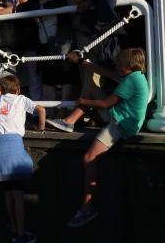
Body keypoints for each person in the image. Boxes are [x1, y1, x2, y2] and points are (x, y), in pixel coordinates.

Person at [49, 48, 150, 227]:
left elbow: (105, 103)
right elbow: (107, 73)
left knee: (89, 158)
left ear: (128, 65)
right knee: (90, 84)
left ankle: (87, 208)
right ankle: (69, 121)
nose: (117, 68)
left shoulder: (130, 80)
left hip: (119, 126)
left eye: (120, 65)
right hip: (120, 120)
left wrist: (82, 102)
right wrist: (84, 63)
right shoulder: (136, 77)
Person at [0, 75, 46, 243]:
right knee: (18, 195)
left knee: (8, 192)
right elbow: (42, 110)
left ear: (1, 89)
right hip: (14, 149)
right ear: (18, 89)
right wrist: (41, 128)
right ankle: (21, 234)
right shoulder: (21, 99)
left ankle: (14, 229)